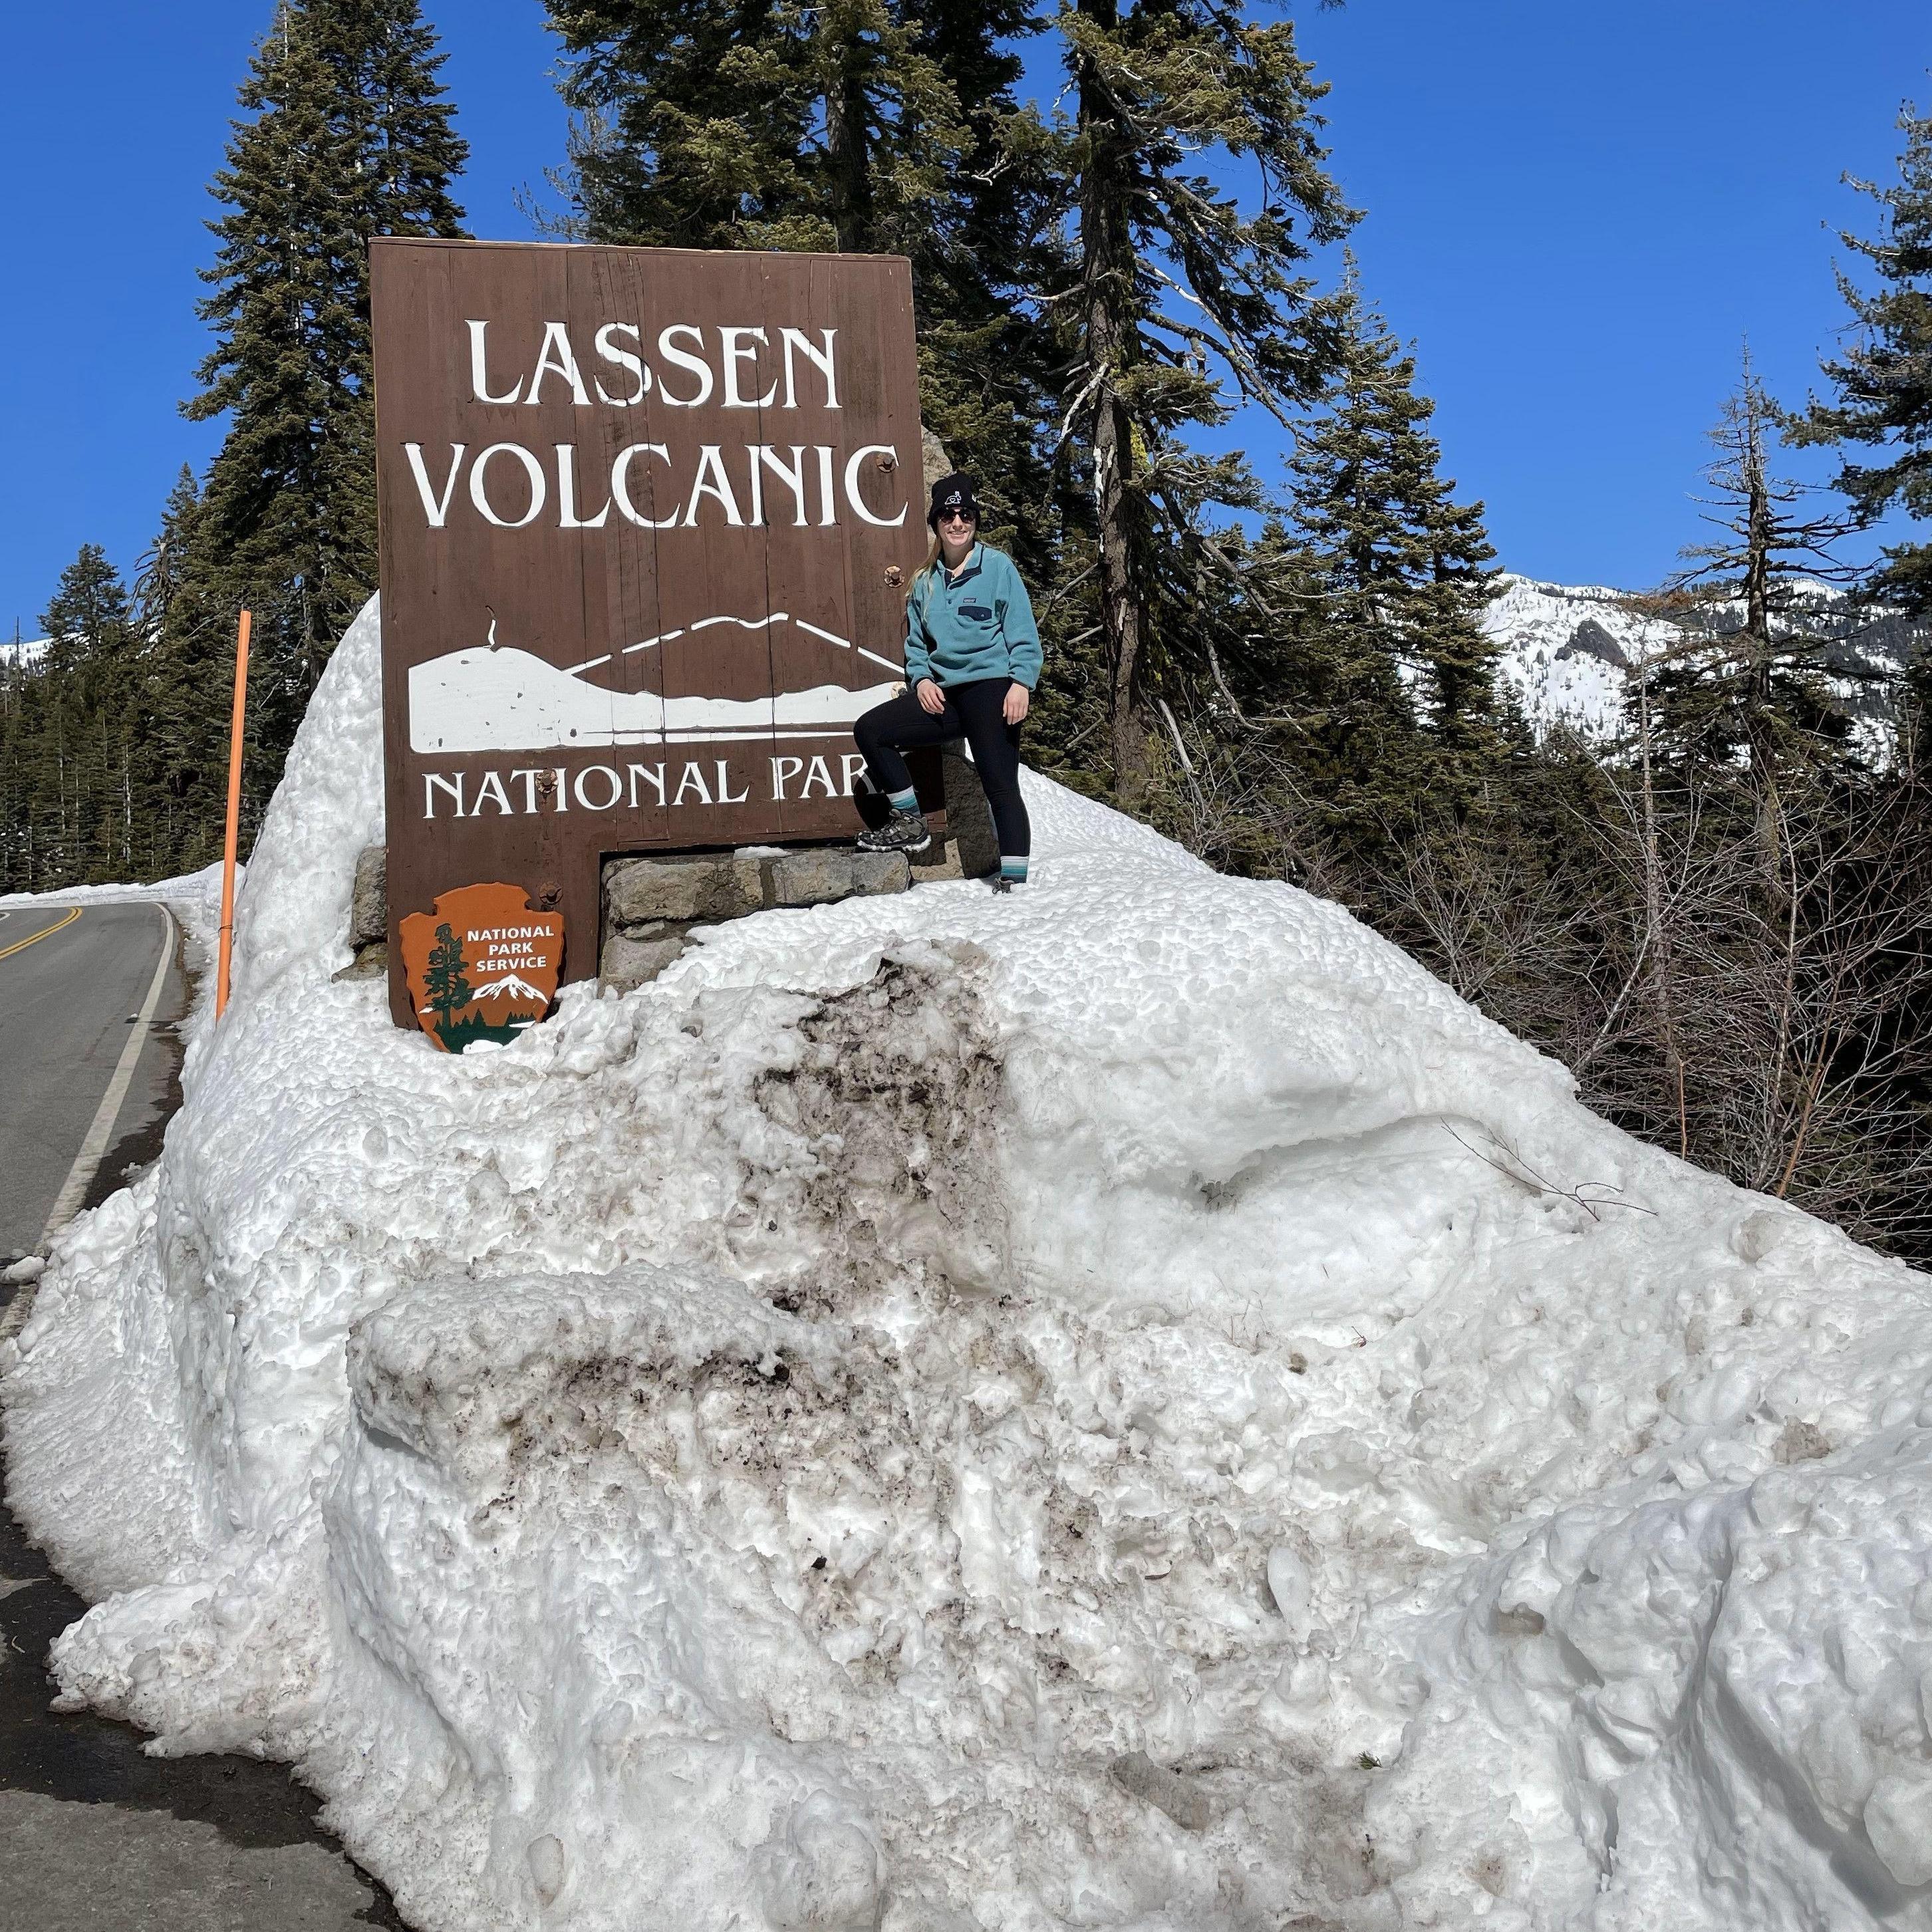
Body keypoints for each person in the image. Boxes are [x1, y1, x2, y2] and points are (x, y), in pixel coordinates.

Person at [853, 474, 1039, 891]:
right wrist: (919, 680)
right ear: (936, 523)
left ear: (975, 520)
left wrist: (1021, 684)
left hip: (993, 692)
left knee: (1001, 786)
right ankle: (910, 822)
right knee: (871, 730)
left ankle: (1015, 884)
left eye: (966, 514)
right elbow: (917, 646)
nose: (958, 523)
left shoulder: (997, 567)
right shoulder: (924, 582)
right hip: (944, 696)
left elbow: (1024, 635)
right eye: (949, 515)